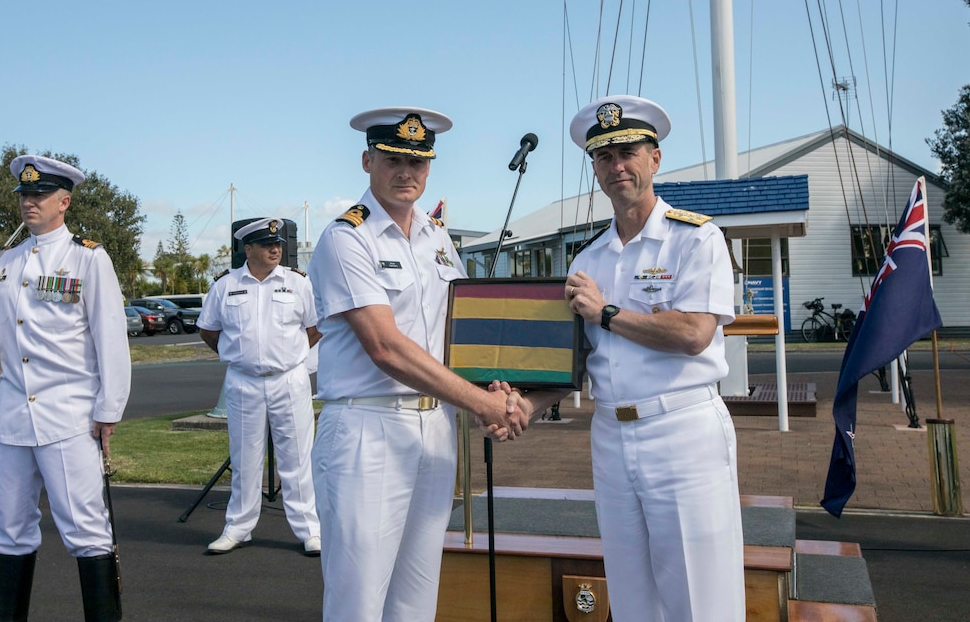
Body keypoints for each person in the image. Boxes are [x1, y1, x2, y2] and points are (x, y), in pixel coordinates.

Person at [494, 95, 746, 622]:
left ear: (655, 158)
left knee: (701, 599)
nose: (618, 166)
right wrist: (525, 406)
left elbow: (695, 333)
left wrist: (607, 312)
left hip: (681, 429)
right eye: (605, 157)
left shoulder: (696, 239)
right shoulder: (589, 258)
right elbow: (581, 358)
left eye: (629, 152)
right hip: (610, 434)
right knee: (631, 597)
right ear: (595, 169)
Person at [308, 108, 529, 622]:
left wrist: (493, 386)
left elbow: (456, 334)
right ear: (367, 161)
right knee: (358, 600)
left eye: (418, 161)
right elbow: (385, 347)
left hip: (434, 429)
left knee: (416, 597)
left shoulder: (436, 237)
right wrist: (483, 403)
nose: (406, 172)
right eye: (393, 160)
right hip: (369, 429)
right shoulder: (347, 239)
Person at [0, 154, 131, 622]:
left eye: (38, 195)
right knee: (9, 529)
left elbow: (110, 338)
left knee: (87, 530)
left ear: (64, 201)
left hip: (69, 416)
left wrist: (109, 409)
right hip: (12, 419)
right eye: (24, 195)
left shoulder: (88, 257)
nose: (29, 203)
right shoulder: (5, 263)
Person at [196, 217, 323, 558]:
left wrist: (292, 355)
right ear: (247, 249)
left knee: (297, 458)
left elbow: (316, 326)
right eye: (267, 245)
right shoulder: (225, 286)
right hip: (243, 382)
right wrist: (237, 353)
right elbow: (208, 330)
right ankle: (238, 528)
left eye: (278, 244)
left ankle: (310, 530)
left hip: (289, 380)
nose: (275, 249)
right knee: (244, 458)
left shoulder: (298, 283)